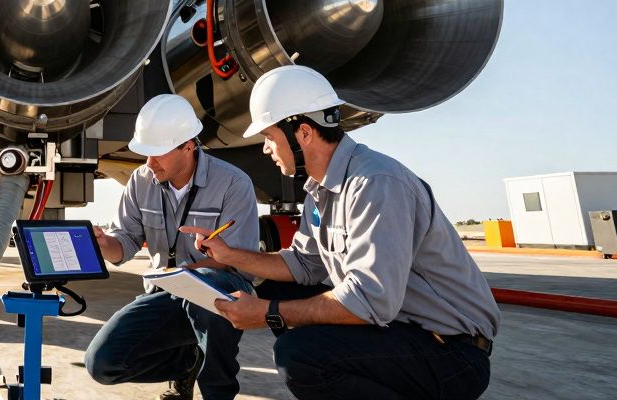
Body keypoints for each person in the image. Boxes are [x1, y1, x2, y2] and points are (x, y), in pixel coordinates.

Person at [182, 65, 500, 400]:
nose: (266, 149)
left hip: (451, 353)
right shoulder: (322, 191)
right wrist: (230, 256)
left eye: (269, 137)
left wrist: (267, 313)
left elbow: (367, 301)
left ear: (302, 133)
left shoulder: (375, 183)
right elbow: (304, 265)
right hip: (403, 330)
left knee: (301, 354)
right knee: (275, 289)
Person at [84, 94, 260, 400]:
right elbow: (123, 245)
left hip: (219, 291)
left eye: (158, 153)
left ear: (188, 146)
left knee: (211, 285)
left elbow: (241, 264)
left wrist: (192, 270)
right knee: (102, 364)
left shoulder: (233, 183)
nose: (149, 163)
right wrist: (104, 244)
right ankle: (188, 363)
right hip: (166, 293)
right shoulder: (140, 181)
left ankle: (216, 392)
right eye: (145, 153)